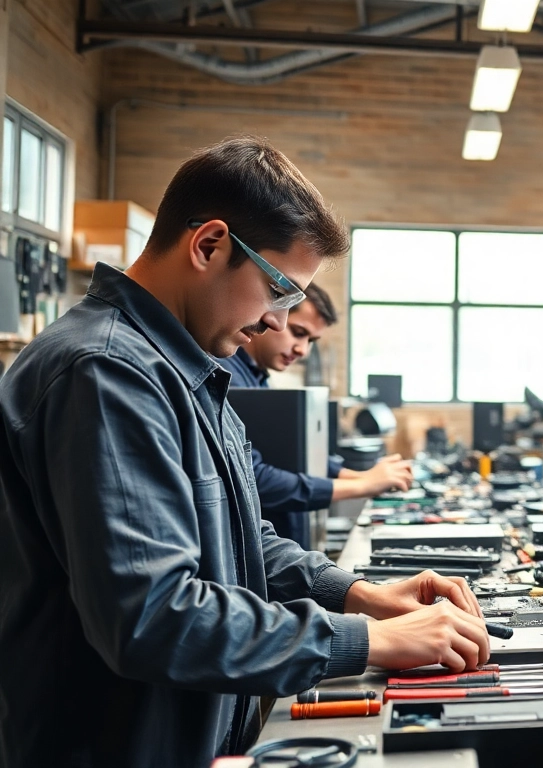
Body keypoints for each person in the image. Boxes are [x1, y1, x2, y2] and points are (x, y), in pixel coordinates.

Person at [0, 136, 489, 767]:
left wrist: (355, 592)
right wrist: (369, 641)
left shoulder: (185, 367)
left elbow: (240, 535)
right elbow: (154, 616)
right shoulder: (106, 373)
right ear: (209, 245)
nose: (276, 323)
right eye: (279, 292)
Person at [216, 282, 414, 545]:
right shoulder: (227, 377)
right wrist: (361, 485)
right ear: (271, 315)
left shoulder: (257, 377)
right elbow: (254, 478)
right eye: (298, 333)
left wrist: (365, 476)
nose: (303, 351)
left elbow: (293, 454)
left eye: (311, 341)